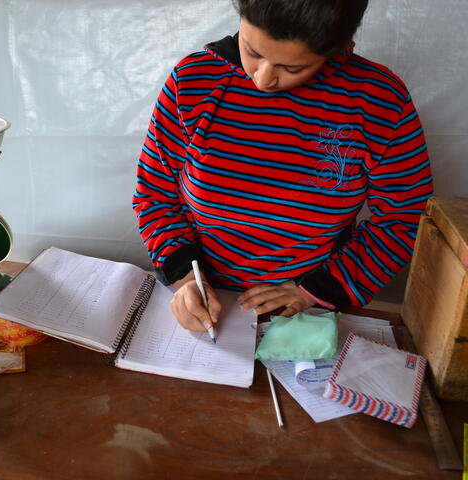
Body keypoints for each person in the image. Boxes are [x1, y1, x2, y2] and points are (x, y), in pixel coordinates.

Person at [132, 0, 433, 334]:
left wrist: (318, 291)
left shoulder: (378, 101)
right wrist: (185, 279)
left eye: (292, 68)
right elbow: (155, 197)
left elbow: (402, 219)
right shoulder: (193, 83)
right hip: (203, 300)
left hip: (308, 313)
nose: (263, 79)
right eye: (252, 51)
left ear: (332, 48)